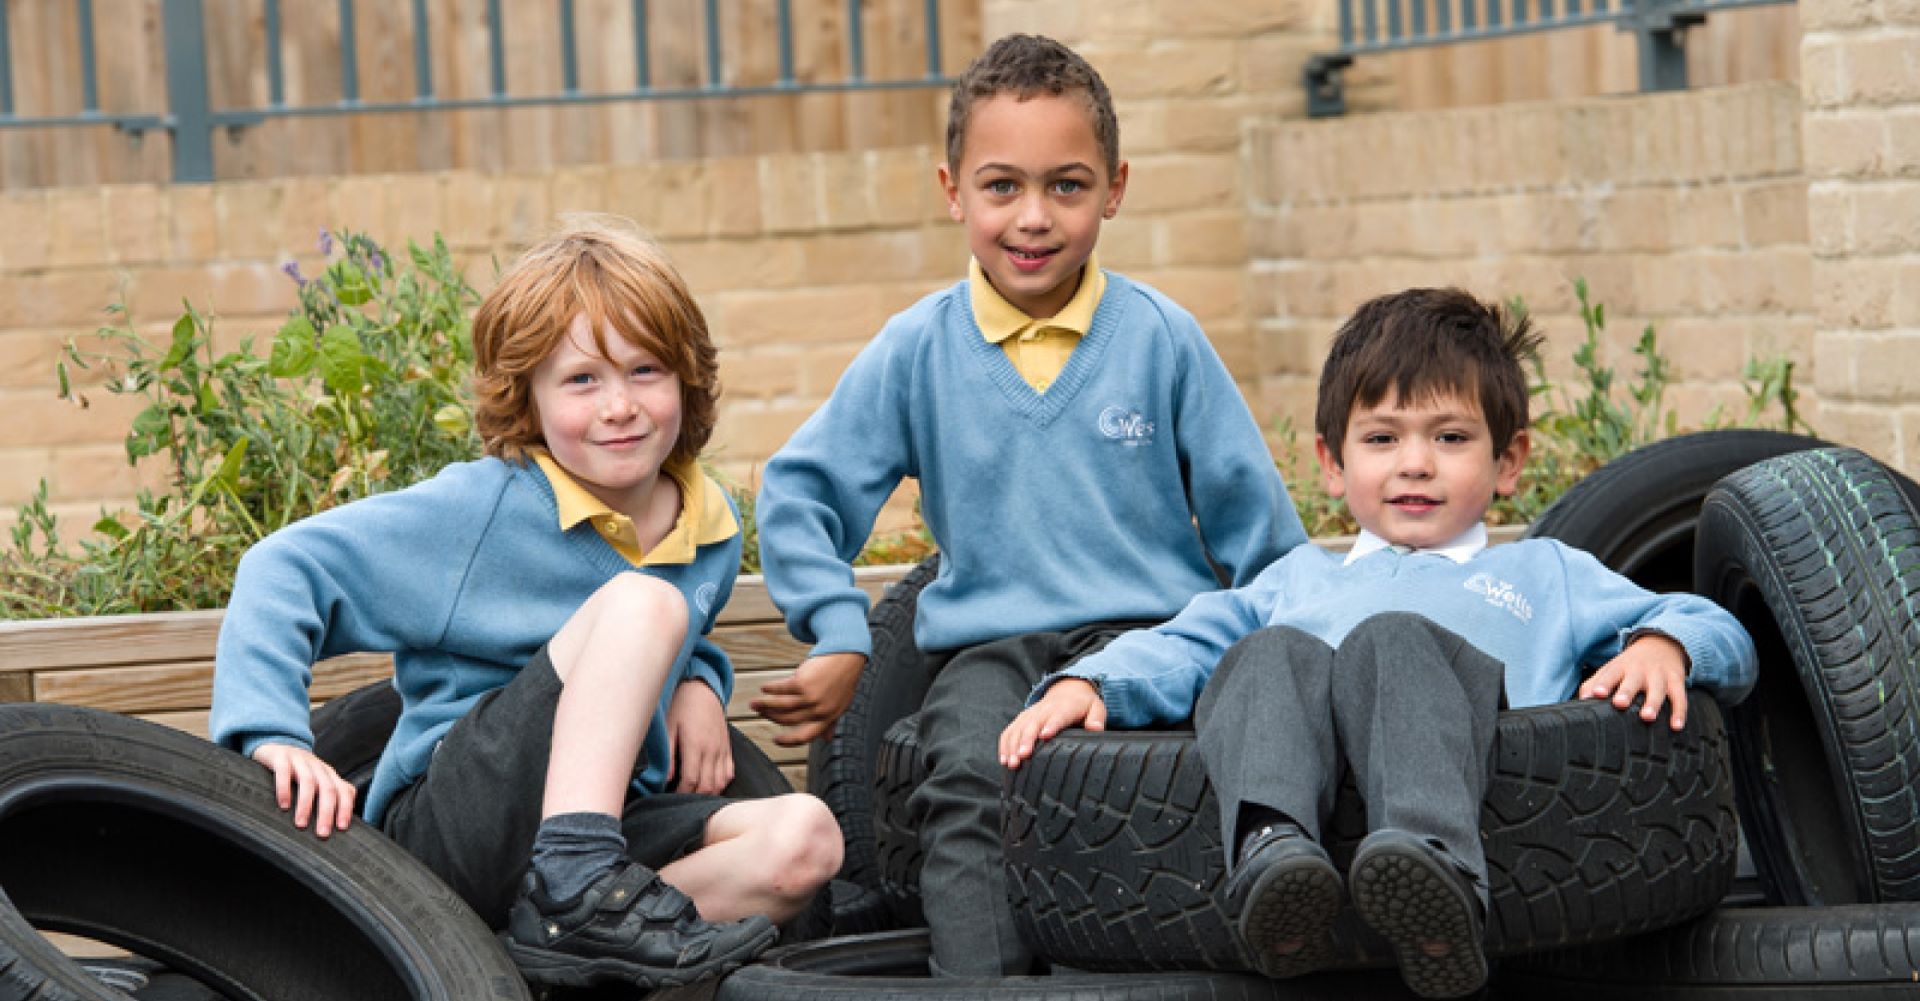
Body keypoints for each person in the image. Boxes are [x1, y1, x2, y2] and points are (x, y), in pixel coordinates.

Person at [1000, 287, 1758, 999]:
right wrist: (1090, 684)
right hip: (1311, 818)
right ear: (1333, 463)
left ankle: (1435, 876)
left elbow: (1718, 626)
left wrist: (1663, 645)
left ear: (1508, 461)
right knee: (1265, 653)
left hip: (1499, 814)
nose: (1415, 463)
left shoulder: (1543, 571)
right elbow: (1182, 645)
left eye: (1451, 437)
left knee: (1390, 641)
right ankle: (1274, 860)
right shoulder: (1295, 580)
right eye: (1382, 438)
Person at [752, 33, 1304, 977]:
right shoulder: (918, 349)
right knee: (967, 779)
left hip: (1150, 637)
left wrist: (1286, 662)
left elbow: (1265, 541)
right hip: (990, 650)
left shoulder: (1162, 339)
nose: (1034, 217)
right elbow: (802, 491)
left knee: (1173, 785)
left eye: (1067, 186)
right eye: (1002, 186)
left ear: (1115, 189)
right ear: (953, 190)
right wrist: (839, 631)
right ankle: (984, 985)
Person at [209, 217, 840, 992]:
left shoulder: (707, 521)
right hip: (457, 827)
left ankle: (541, 959)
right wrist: (272, 733)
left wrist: (698, 680)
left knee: (806, 839)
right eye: (582, 380)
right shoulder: (484, 510)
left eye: (645, 369)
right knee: (643, 603)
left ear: (687, 378)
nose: (620, 405)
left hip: (609, 828)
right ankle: (573, 888)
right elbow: (282, 568)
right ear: (526, 399)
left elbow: (671, 630)